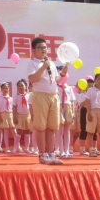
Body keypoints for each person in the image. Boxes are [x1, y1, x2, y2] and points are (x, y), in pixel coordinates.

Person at [27, 37, 68, 165]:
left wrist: (62, 74)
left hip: (53, 96)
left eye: (45, 47)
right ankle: (42, 154)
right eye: (40, 47)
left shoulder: (51, 64)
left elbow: (56, 81)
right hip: (40, 96)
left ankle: (51, 153)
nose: (43, 50)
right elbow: (32, 79)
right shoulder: (33, 64)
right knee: (40, 126)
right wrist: (43, 66)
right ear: (34, 50)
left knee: (52, 126)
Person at [84, 74, 100, 158]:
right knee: (91, 132)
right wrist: (89, 113)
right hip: (93, 111)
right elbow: (87, 102)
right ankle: (91, 150)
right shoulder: (90, 90)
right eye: (99, 79)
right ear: (95, 81)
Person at [56, 80, 74, 158]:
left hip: (68, 107)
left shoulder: (69, 88)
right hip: (59, 107)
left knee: (67, 130)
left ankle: (67, 150)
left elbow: (72, 101)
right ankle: (61, 151)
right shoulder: (56, 87)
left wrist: (73, 112)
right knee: (60, 130)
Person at [14, 79, 32, 153]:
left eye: (22, 85)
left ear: (25, 87)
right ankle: (15, 148)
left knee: (27, 132)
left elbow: (31, 106)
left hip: (27, 115)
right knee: (19, 132)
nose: (20, 87)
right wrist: (14, 116)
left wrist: (32, 115)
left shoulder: (28, 96)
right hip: (19, 115)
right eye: (19, 86)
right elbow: (14, 107)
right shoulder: (16, 96)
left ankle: (27, 148)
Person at [0, 83, 16, 153]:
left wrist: (14, 116)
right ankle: (7, 147)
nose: (5, 89)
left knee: (14, 131)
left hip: (10, 114)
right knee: (6, 132)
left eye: (7, 88)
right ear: (1, 90)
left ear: (9, 89)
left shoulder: (11, 98)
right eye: (4, 88)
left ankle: (17, 146)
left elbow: (14, 108)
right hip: (3, 115)